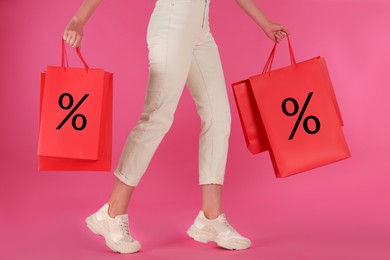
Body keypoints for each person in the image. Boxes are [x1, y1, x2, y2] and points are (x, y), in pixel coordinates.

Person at [63, 0, 289, 254]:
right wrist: (79, 20)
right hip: (173, 21)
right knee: (157, 115)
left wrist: (264, 23)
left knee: (218, 117)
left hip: (201, 29)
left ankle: (210, 218)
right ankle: (112, 213)